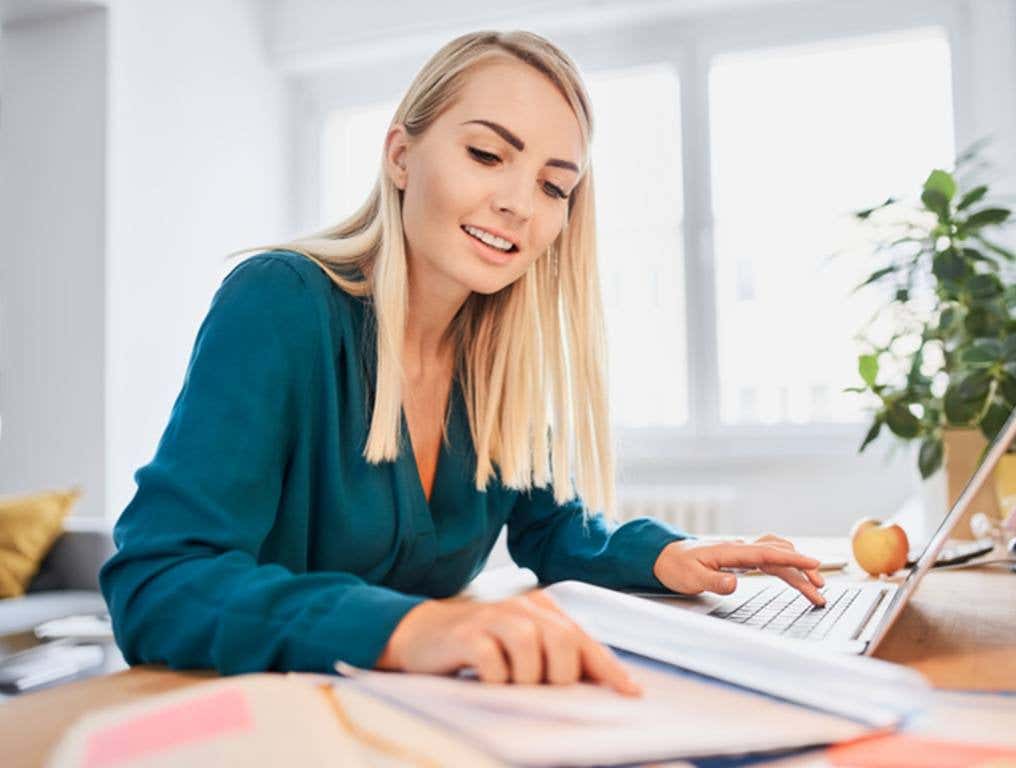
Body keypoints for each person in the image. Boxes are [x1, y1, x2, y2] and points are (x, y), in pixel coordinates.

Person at [100, 30, 825, 697]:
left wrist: (669, 555)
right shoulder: (280, 304)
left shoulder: (501, 357)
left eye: (553, 185)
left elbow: (550, 531)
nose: (517, 204)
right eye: (487, 155)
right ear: (400, 156)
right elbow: (160, 580)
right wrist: (410, 630)